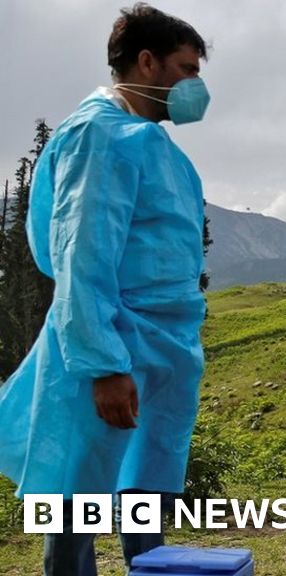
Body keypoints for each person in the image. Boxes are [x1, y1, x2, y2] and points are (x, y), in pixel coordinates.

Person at [0, 4, 210, 574]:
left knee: (143, 494)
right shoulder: (99, 136)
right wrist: (105, 364)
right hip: (112, 344)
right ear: (147, 62)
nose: (196, 86)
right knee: (76, 499)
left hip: (163, 346)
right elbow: (82, 253)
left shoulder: (153, 145)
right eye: (187, 69)